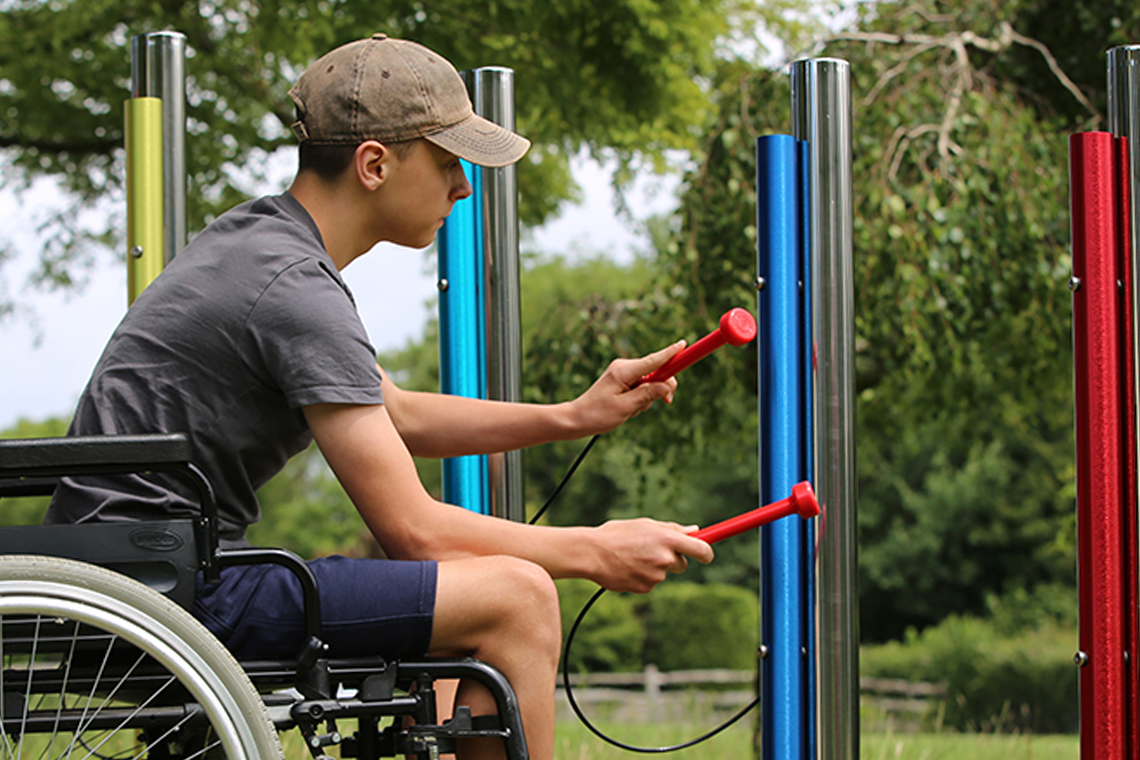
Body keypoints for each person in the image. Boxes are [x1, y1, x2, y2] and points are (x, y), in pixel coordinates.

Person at [47, 34, 714, 760]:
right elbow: (416, 534)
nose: (464, 185)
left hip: (139, 571)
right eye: (449, 160)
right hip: (164, 593)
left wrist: (573, 417)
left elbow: (394, 412)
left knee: (480, 596)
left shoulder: (263, 244)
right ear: (374, 164)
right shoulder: (293, 285)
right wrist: (592, 549)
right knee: (519, 598)